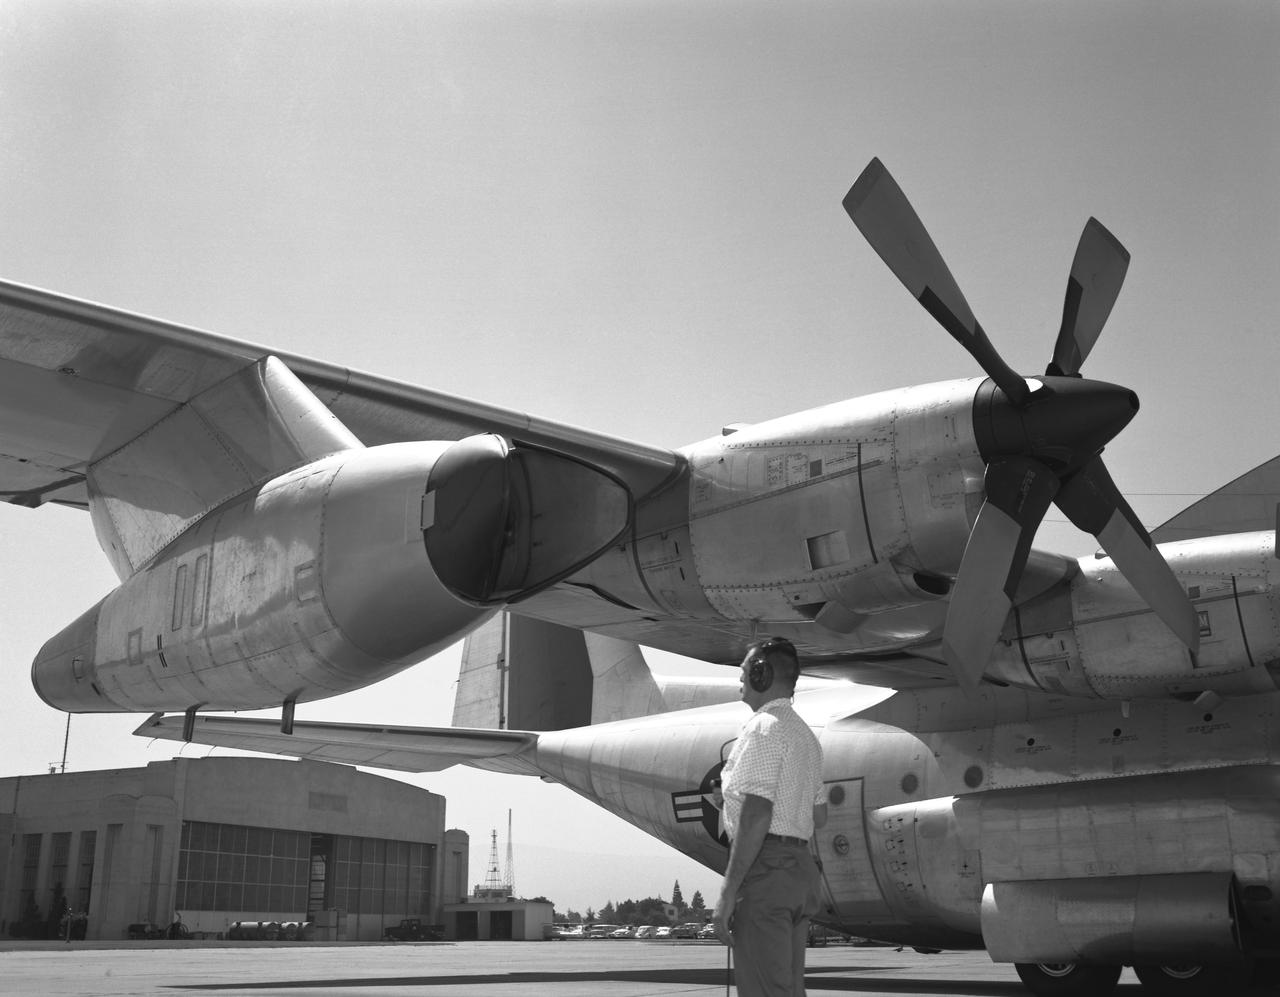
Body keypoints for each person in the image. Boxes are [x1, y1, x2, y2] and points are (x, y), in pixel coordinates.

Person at [712, 636, 826, 997]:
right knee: (787, 990)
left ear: (762, 674)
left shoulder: (762, 728)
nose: (741, 679)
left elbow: (757, 813)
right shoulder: (806, 736)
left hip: (767, 874)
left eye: (745, 671)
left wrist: (728, 893)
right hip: (798, 873)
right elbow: (818, 815)